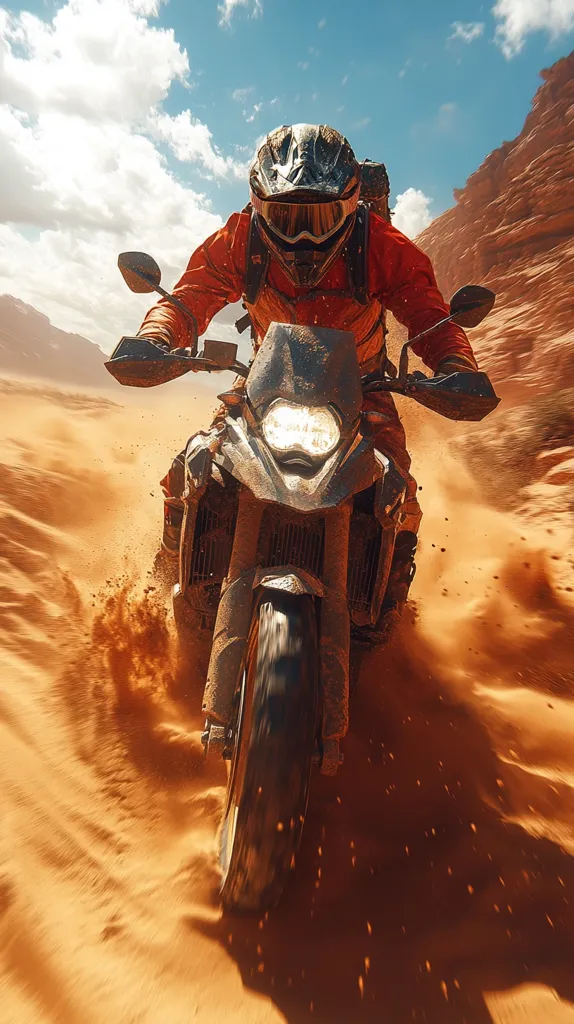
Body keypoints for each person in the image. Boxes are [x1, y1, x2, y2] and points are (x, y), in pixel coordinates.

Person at [136, 123, 479, 643]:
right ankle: (163, 575)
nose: (301, 236)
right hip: (266, 386)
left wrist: (456, 364)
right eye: (284, 216)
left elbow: (429, 314)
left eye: (317, 217)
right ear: (259, 206)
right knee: (192, 464)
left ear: (350, 207)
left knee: (398, 493)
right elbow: (190, 296)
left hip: (363, 390)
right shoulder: (242, 237)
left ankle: (386, 609)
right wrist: (156, 336)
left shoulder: (381, 245)